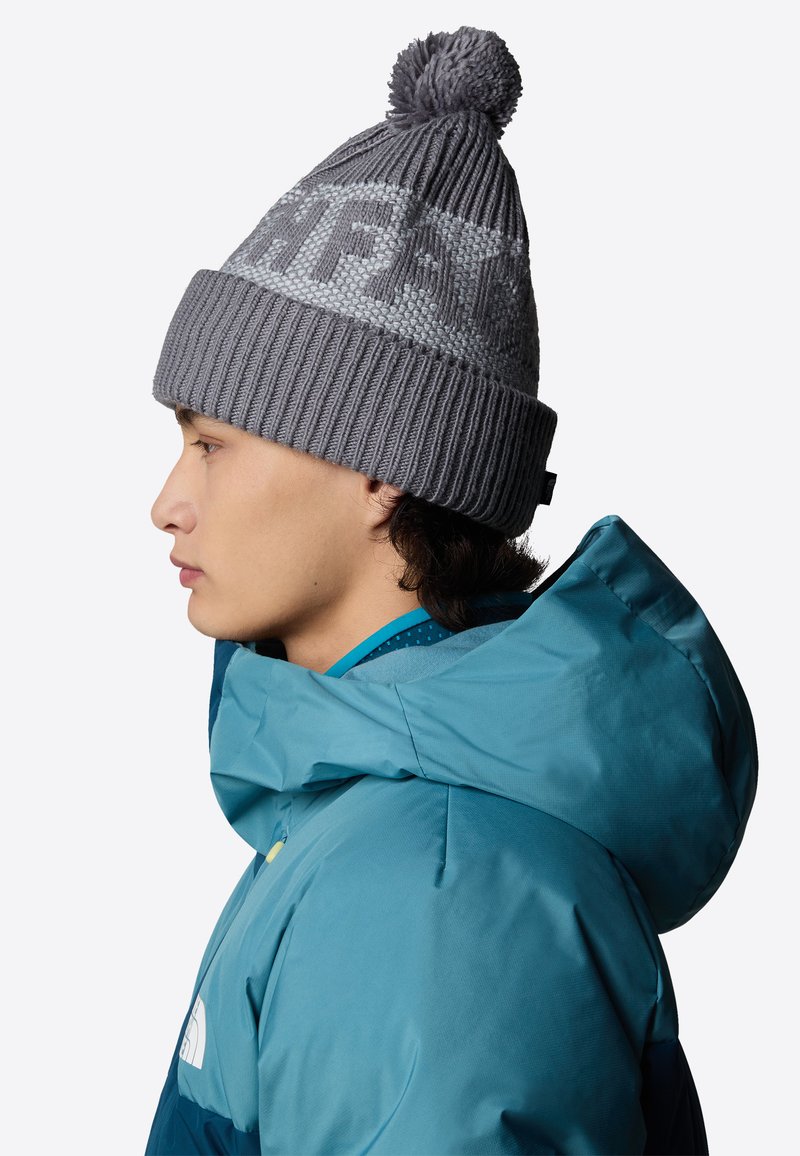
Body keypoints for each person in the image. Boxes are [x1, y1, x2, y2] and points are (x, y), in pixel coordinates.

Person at [145, 25, 758, 1156]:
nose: (168, 503)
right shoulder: (384, 814)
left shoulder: (433, 881)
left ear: (381, 471)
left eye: (214, 444)